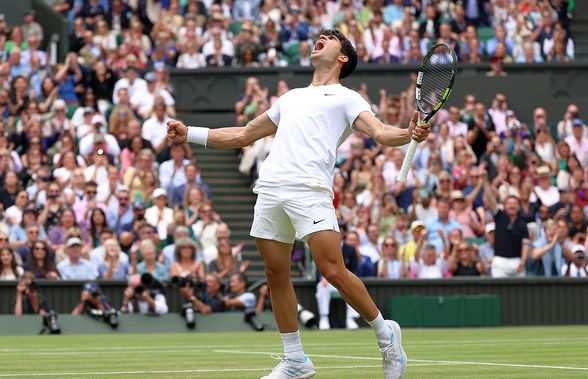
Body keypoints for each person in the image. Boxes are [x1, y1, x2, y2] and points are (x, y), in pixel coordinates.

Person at [167, 28, 430, 379]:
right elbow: (244, 134)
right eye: (320, 35)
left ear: (342, 57)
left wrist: (408, 134)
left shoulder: (347, 98)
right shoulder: (289, 98)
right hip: (272, 189)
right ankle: (295, 361)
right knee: (276, 275)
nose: (320, 38)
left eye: (331, 37)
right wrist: (190, 132)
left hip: (310, 190)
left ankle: (386, 335)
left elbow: (381, 132)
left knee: (333, 270)